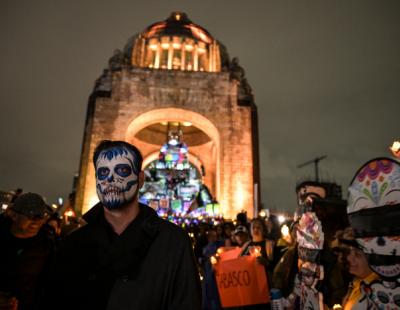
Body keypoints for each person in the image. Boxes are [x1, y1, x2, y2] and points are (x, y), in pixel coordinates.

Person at [42, 140, 201, 310]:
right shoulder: (72, 244)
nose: (111, 179)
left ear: (140, 179)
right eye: (103, 172)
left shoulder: (174, 242)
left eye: (122, 170)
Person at [0, 192, 54, 310]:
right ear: (13, 215)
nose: (37, 221)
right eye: (31, 215)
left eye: (41, 215)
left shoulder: (48, 245)